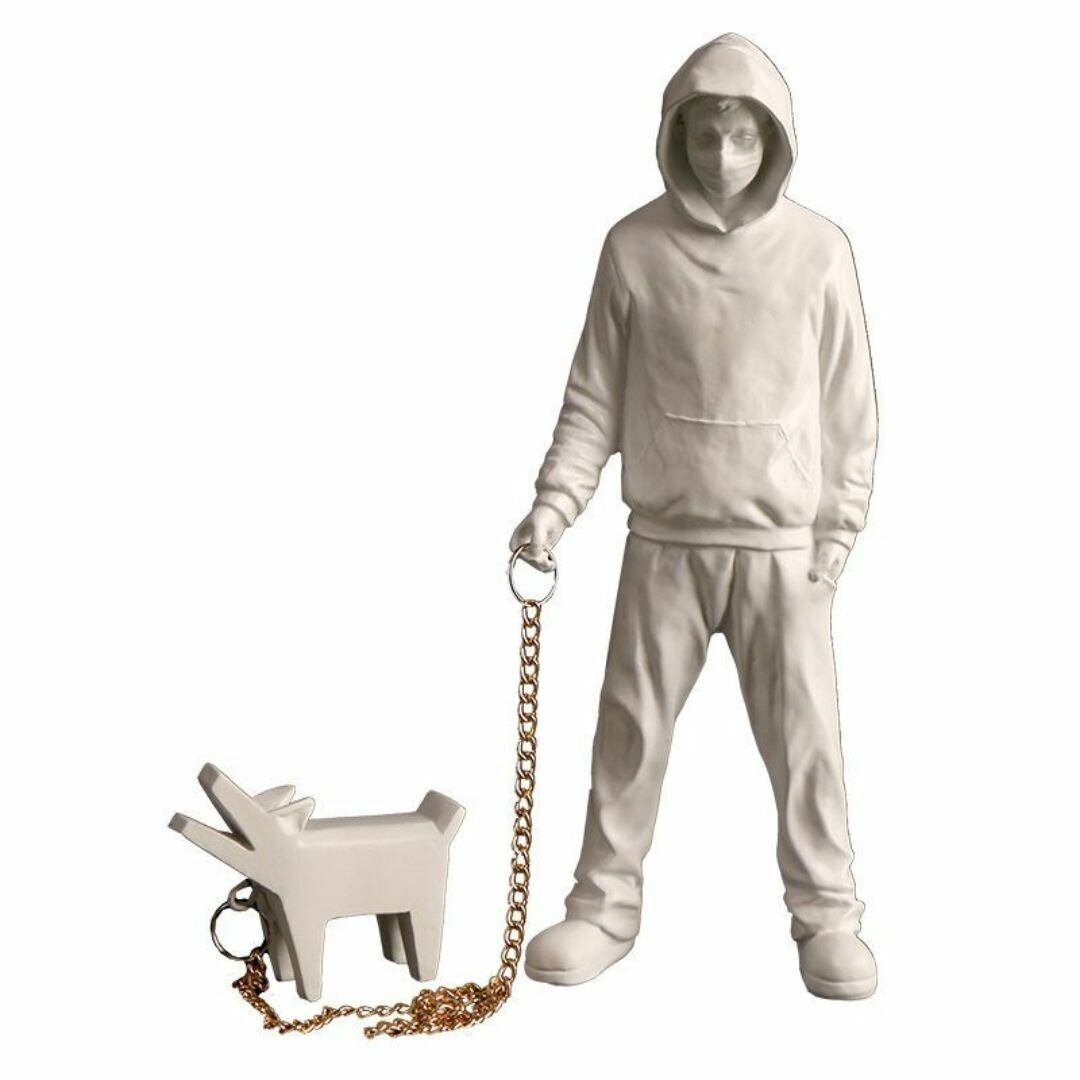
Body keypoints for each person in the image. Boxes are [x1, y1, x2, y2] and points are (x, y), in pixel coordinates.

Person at [510, 33, 879, 1000]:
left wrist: (838, 531)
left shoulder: (819, 252)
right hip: (665, 543)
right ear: (676, 134)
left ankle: (829, 917)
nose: (723, 156)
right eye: (706, 135)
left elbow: (849, 407)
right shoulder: (633, 248)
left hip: (782, 550)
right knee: (627, 733)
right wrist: (553, 506)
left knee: (807, 743)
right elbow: (594, 395)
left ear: (774, 140)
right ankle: (602, 908)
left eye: (744, 136)